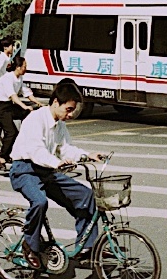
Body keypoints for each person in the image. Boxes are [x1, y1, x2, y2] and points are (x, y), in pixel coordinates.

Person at [9, 79, 105, 269]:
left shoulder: (60, 125)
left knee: (85, 195)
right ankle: (30, 246)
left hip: (47, 171)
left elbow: (66, 148)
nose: (70, 115)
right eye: (68, 109)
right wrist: (56, 162)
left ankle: (86, 247)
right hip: (24, 170)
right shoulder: (35, 119)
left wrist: (87, 155)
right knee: (39, 201)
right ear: (55, 102)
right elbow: (35, 150)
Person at [0, 54, 43, 165]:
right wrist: (24, 106)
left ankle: (22, 140)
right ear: (18, 67)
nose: (26, 69)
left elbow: (26, 92)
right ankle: (2, 157)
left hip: (7, 106)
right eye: (24, 66)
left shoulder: (19, 78)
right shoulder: (8, 78)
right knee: (11, 132)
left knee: (27, 113)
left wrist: (38, 103)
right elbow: (13, 96)